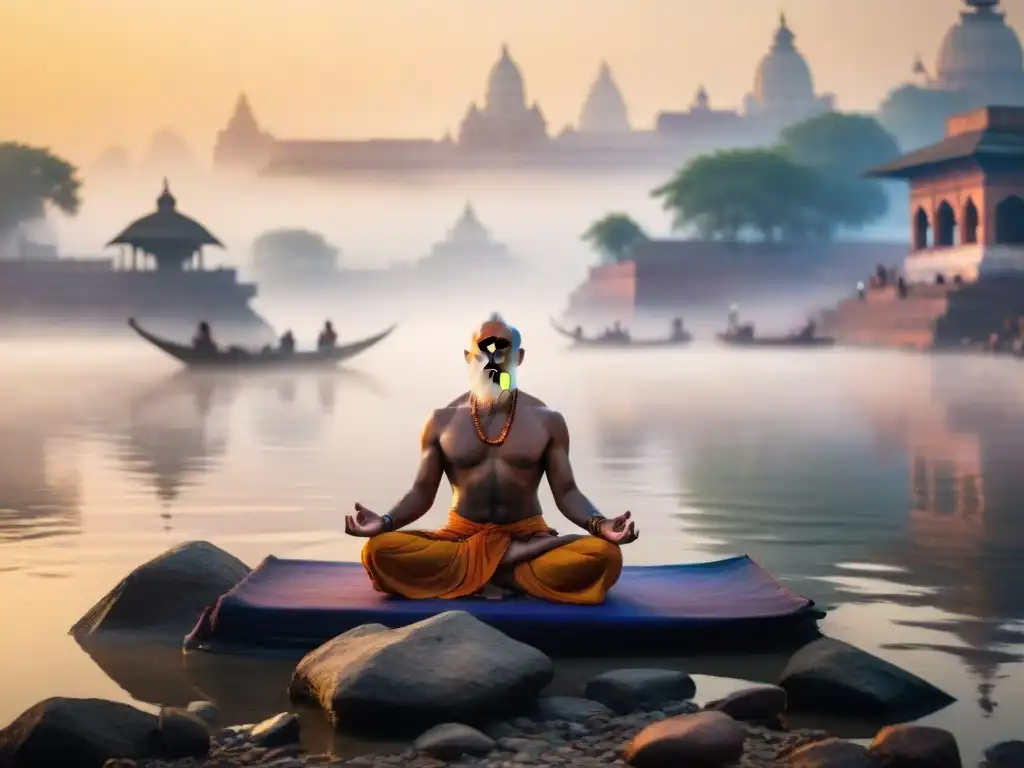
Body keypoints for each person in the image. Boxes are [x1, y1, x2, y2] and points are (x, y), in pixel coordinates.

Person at [345, 314, 637, 604]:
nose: (492, 361)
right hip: (461, 538)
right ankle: (507, 569)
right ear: (468, 357)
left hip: (528, 538)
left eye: (502, 352)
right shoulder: (441, 421)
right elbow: (421, 492)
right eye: (483, 352)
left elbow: (567, 492)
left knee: (605, 555)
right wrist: (384, 522)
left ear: (519, 357)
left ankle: (484, 571)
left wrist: (601, 525)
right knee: (378, 551)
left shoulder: (547, 420)